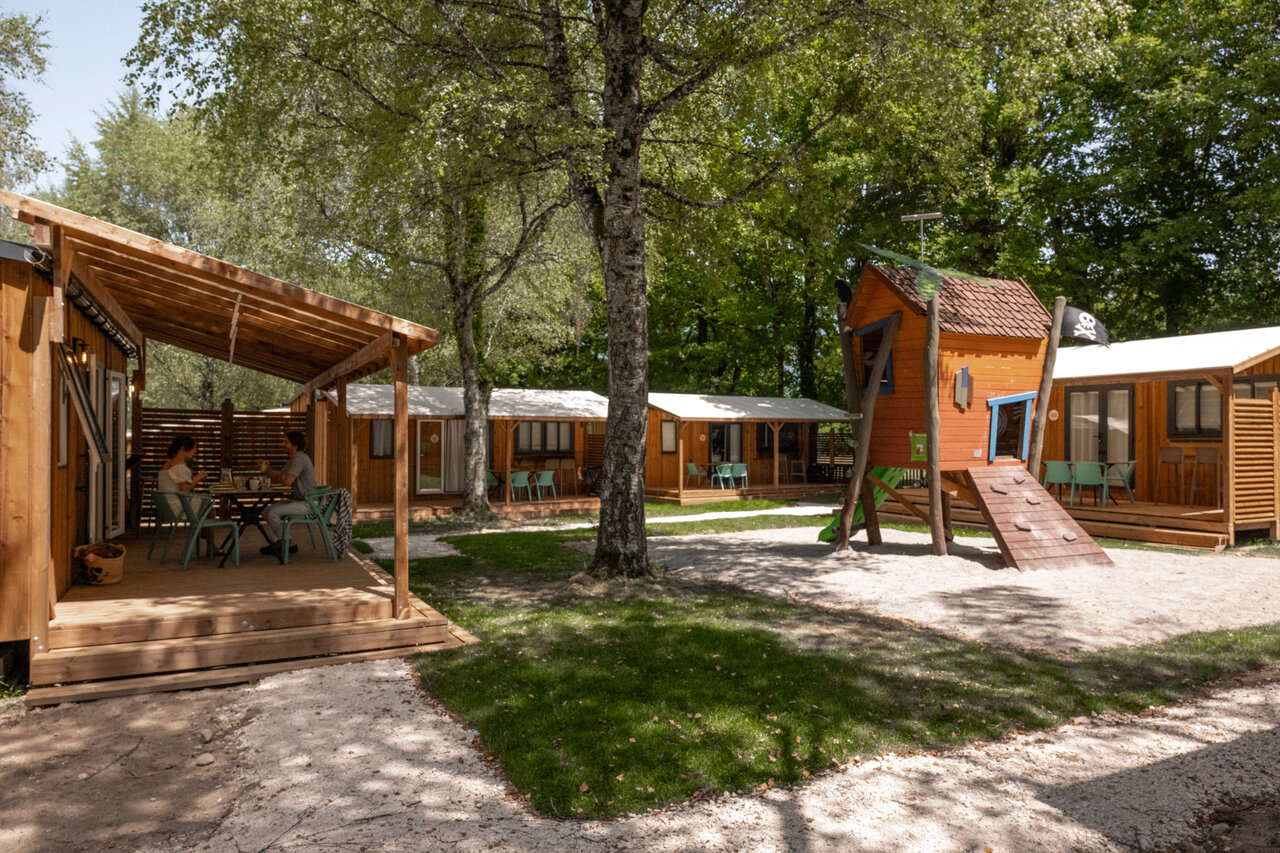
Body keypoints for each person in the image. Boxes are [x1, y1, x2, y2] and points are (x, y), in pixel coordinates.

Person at [157, 435, 221, 554]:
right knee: (209, 502)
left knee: (206, 504)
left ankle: (204, 531)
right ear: (183, 448)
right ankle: (208, 540)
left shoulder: (168, 464)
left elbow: (179, 484)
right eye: (193, 448)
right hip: (177, 508)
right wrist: (199, 477)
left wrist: (194, 478)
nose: (195, 451)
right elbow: (185, 489)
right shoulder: (179, 466)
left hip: (167, 507)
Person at [259, 430, 316, 555]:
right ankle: (279, 542)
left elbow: (286, 482)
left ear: (294, 446)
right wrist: (267, 469)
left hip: (308, 503)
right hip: (298, 500)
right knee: (265, 511)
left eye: (286, 442)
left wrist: (283, 478)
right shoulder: (292, 459)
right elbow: (278, 477)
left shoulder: (299, 458)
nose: (283, 444)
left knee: (272, 512)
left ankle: (287, 543)